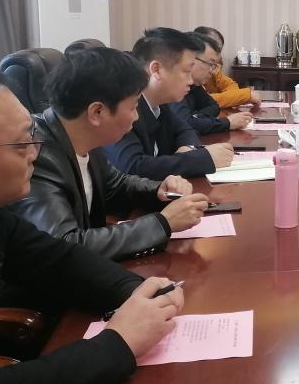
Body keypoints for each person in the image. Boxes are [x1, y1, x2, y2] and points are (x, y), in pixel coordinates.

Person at [0, 62, 184, 384]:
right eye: (21, 143)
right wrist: (117, 344)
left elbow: (57, 260)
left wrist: (137, 293)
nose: (35, 152)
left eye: (33, 136)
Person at [11, 47, 209, 261]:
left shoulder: (84, 137)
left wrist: (159, 190)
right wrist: (163, 223)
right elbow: (64, 244)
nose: (136, 117)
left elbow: (115, 186)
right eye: (133, 107)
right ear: (97, 112)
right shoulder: (36, 155)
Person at [104, 28, 234, 179]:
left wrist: (188, 148)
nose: (190, 80)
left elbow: (185, 130)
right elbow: (133, 167)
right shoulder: (122, 107)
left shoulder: (159, 104)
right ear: (156, 70)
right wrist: (199, 159)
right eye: (186, 71)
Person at [171, 33, 252, 136]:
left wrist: (196, 117)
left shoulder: (194, 85)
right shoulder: (174, 84)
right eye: (211, 64)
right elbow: (185, 124)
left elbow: (214, 106)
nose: (212, 71)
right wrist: (228, 123)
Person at [194, 25, 261, 110]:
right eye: (213, 48)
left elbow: (232, 87)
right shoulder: (191, 73)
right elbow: (204, 101)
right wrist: (245, 95)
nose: (218, 56)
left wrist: (231, 97)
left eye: (219, 50)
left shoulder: (214, 67)